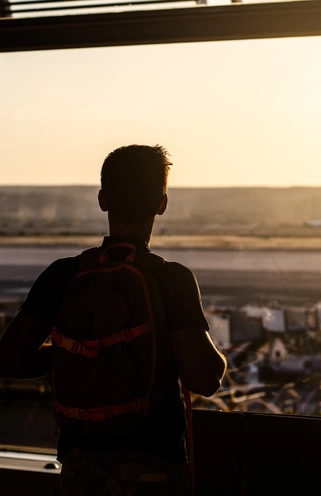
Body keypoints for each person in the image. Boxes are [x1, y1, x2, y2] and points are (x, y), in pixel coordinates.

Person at [0, 144, 227, 495]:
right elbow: (205, 378)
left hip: (79, 466)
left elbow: (8, 357)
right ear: (161, 204)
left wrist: (78, 353)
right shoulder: (171, 279)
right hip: (153, 465)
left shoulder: (63, 274)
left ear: (103, 199)